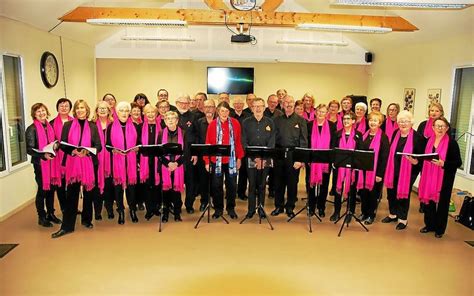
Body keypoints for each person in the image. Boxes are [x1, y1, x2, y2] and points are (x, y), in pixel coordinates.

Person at [52, 100, 101, 238]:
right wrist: (73, 151)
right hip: (73, 164)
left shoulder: (93, 126)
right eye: (78, 108)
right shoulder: (67, 125)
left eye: (82, 108)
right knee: (71, 196)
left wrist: (86, 152)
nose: (80, 110)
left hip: (89, 164)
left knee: (88, 194)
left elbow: (98, 145)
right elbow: (63, 144)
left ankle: (86, 220)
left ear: (87, 110)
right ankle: (67, 226)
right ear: (75, 111)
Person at [418, 117, 462, 238]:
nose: (440, 128)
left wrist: (444, 164)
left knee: (442, 204)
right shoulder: (428, 141)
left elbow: (458, 162)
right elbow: (423, 157)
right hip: (428, 176)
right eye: (437, 126)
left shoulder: (452, 143)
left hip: (445, 178)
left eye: (443, 126)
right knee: (429, 202)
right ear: (433, 128)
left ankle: (440, 229)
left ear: (447, 128)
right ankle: (429, 225)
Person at [383, 110, 425, 230]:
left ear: (411, 122)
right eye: (401, 121)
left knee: (403, 194)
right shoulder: (396, 133)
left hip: (409, 171)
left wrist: (416, 162)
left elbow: (422, 158)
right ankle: (393, 214)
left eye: (406, 121)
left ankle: (402, 219)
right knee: (391, 192)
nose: (403, 124)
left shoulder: (418, 138)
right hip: (393, 168)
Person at [205, 101, 244, 219]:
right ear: (218, 111)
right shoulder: (212, 125)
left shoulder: (236, 123)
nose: (224, 113)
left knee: (232, 185)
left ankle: (231, 208)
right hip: (216, 161)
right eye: (222, 111)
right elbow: (208, 143)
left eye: (226, 111)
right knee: (216, 186)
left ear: (229, 112)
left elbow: (238, 142)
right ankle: (218, 209)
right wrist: (207, 161)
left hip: (231, 161)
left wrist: (239, 158)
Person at [26, 103, 62, 227]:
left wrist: (56, 145)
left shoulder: (50, 126)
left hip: (52, 163)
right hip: (40, 164)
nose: (41, 113)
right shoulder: (32, 129)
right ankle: (41, 216)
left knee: (51, 190)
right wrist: (43, 155)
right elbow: (29, 149)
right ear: (34, 114)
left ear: (46, 111)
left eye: (43, 110)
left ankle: (51, 214)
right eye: (38, 112)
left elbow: (54, 142)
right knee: (42, 191)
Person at [271, 95, 308, 218]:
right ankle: (278, 206)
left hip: (293, 155)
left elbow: (304, 141)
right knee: (278, 182)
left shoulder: (301, 120)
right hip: (279, 153)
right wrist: (272, 156)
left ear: (294, 104)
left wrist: (300, 159)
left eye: (291, 102)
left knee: (292, 183)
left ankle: (290, 207)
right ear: (282, 104)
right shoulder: (276, 120)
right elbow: (272, 139)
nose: (289, 104)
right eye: (286, 102)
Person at [106, 101, 141, 224]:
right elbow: (107, 145)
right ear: (117, 112)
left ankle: (132, 209)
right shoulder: (110, 126)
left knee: (132, 188)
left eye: (127, 110)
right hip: (117, 161)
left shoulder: (136, 126)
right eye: (122, 110)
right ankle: (120, 210)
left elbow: (140, 143)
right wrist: (114, 149)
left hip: (131, 161)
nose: (124, 113)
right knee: (118, 188)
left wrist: (137, 148)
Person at [241, 97, 276, 219]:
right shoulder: (245, 122)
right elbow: (243, 141)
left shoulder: (270, 122)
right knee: (252, 185)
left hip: (265, 158)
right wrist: (254, 158)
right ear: (252, 108)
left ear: (264, 107)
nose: (258, 108)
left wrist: (263, 158)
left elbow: (272, 141)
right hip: (251, 158)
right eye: (255, 106)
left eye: (260, 106)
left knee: (262, 185)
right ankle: (251, 210)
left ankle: (261, 208)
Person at [330, 111, 363, 223]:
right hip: (339, 167)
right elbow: (333, 150)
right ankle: (336, 211)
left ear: (353, 121)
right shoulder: (337, 134)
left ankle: (350, 212)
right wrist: (333, 162)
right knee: (337, 189)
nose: (346, 121)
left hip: (352, 168)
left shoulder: (358, 135)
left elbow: (360, 152)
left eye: (348, 119)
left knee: (352, 191)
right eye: (344, 119)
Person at [358, 111, 389, 225]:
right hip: (364, 170)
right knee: (363, 193)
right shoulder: (364, 135)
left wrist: (380, 174)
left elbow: (384, 158)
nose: (372, 122)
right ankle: (364, 212)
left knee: (373, 194)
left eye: (375, 120)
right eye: (371, 120)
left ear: (380, 123)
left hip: (376, 172)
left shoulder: (384, 138)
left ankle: (371, 215)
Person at [307, 104, 337, 218]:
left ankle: (321, 207)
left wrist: (331, 158)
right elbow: (307, 142)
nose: (320, 114)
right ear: (315, 112)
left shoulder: (332, 126)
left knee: (324, 185)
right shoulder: (309, 125)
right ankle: (311, 206)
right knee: (311, 185)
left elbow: (333, 144)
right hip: (312, 160)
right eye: (319, 111)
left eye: (323, 112)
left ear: (326, 113)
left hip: (325, 160)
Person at [416, 102, 444, 213]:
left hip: (437, 159)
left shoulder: (443, 125)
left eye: (437, 111)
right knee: (424, 180)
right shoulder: (423, 124)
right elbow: (418, 140)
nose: (434, 113)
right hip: (425, 158)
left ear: (441, 113)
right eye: (432, 110)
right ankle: (423, 202)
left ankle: (432, 201)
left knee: (434, 182)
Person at [158, 111, 185, 222]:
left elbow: (186, 152)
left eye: (172, 118)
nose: (170, 120)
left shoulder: (183, 133)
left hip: (178, 166)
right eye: (167, 118)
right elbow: (158, 152)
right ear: (164, 121)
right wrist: (167, 163)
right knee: (166, 192)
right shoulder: (160, 133)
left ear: (177, 120)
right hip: (166, 166)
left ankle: (177, 213)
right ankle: (165, 214)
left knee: (176, 192)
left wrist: (177, 163)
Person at [175, 94, 198, 213]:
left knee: (190, 181)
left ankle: (189, 204)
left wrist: (195, 153)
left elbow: (197, 137)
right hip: (175, 154)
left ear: (189, 104)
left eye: (186, 103)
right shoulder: (172, 116)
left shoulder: (194, 117)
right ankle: (177, 205)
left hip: (189, 153)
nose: (184, 105)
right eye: (181, 102)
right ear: (176, 103)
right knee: (176, 180)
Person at [50, 98, 73, 214]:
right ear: (57, 108)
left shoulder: (75, 122)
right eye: (61, 106)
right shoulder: (52, 123)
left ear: (70, 108)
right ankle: (64, 207)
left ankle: (72, 207)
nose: (64, 108)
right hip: (58, 158)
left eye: (66, 106)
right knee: (61, 184)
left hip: (72, 157)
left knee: (72, 184)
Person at [92, 101, 114, 220]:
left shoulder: (113, 124)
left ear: (109, 110)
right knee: (96, 186)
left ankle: (109, 208)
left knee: (109, 186)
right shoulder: (92, 125)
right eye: (100, 108)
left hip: (111, 160)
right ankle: (98, 210)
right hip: (96, 159)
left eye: (105, 108)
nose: (102, 110)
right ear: (96, 110)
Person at [139, 104, 162, 221]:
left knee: (157, 185)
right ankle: (149, 209)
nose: (151, 114)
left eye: (153, 112)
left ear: (156, 113)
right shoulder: (140, 127)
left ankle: (156, 208)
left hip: (158, 159)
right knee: (148, 185)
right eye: (148, 112)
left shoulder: (162, 126)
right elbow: (137, 145)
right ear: (144, 114)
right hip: (145, 160)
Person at [195, 99, 216, 212]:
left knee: (215, 180)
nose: (208, 109)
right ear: (203, 108)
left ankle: (214, 200)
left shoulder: (218, 121)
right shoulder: (198, 122)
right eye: (206, 106)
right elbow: (196, 139)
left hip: (215, 156)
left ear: (215, 109)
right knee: (203, 180)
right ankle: (204, 201)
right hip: (202, 156)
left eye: (211, 106)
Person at [264, 94, 283, 199]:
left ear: (277, 103)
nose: (272, 104)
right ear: (267, 102)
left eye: (275, 102)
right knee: (264, 168)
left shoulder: (280, 114)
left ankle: (272, 190)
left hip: (276, 146)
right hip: (265, 145)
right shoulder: (263, 112)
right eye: (271, 101)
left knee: (274, 170)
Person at [232, 96, 251, 201]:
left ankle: (241, 192)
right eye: (236, 103)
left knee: (243, 172)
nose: (238, 105)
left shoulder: (248, 117)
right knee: (232, 171)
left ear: (243, 105)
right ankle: (231, 192)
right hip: (231, 148)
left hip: (243, 147)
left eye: (240, 103)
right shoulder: (229, 116)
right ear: (233, 105)